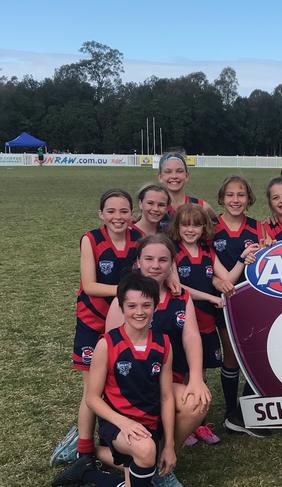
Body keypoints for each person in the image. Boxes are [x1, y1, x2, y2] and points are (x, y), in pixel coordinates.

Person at [105, 235, 212, 487]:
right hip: (130, 389)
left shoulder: (180, 296)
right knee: (139, 444)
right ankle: (93, 453)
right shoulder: (124, 300)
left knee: (197, 403)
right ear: (138, 263)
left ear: (172, 264)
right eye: (149, 259)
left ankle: (166, 454)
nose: (156, 265)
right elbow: (109, 352)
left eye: (163, 260)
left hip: (166, 383)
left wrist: (196, 378)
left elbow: (192, 336)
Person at [53, 273, 176, 487]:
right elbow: (92, 398)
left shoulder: (163, 343)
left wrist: (170, 445)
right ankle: (90, 467)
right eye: (132, 306)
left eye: (146, 305)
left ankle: (86, 474)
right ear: (121, 307)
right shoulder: (107, 344)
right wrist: (124, 423)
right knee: (146, 450)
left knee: (141, 469)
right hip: (117, 423)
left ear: (156, 306)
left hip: (148, 423)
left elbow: (166, 397)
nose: (139, 312)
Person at [50, 189, 143, 468]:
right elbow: (89, 286)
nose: (118, 217)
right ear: (101, 214)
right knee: (93, 389)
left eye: (124, 211)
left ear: (131, 214)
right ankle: (84, 449)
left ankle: (121, 440)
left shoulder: (138, 239)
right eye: (111, 211)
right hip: (93, 322)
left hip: (127, 323)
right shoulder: (91, 240)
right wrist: (129, 292)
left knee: (125, 383)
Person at [167, 203, 258, 445]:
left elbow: (227, 277)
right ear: (177, 227)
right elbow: (177, 287)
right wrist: (210, 296)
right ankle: (182, 420)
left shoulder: (207, 251)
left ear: (204, 228)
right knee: (182, 374)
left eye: (196, 225)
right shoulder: (173, 251)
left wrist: (242, 260)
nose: (190, 229)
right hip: (182, 323)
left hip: (205, 323)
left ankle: (198, 424)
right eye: (185, 224)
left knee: (200, 373)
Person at [211, 175, 264, 436]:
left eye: (241, 194)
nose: (235, 200)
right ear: (222, 198)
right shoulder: (211, 227)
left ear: (249, 199)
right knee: (231, 355)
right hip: (224, 303)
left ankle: (247, 409)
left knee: (255, 355)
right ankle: (231, 412)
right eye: (230, 195)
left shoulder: (258, 227)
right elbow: (201, 262)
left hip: (254, 303)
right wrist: (215, 280)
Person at [157, 152, 216, 229]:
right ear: (160, 177)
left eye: (179, 171)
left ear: (187, 176)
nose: (174, 176)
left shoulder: (202, 207)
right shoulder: (154, 208)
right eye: (168, 171)